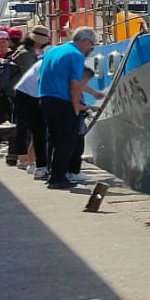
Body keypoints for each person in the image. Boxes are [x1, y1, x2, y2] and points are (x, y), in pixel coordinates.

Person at [38, 28, 102, 189]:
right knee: (66, 141)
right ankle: (58, 178)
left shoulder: (53, 51)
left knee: (53, 139)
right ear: (85, 41)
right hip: (63, 101)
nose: (90, 49)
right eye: (91, 46)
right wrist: (76, 108)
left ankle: (52, 174)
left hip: (45, 98)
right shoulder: (75, 55)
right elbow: (75, 85)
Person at [10, 27, 51, 172]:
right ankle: (25, 159)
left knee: (27, 128)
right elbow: (33, 75)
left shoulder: (24, 51)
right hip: (27, 93)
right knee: (30, 128)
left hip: (22, 91)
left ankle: (27, 159)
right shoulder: (26, 54)